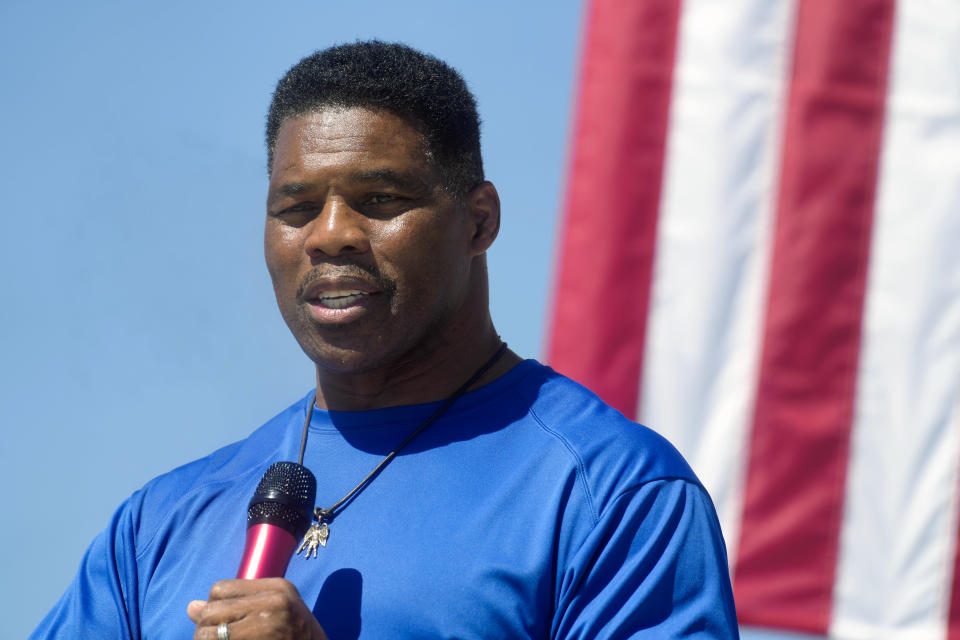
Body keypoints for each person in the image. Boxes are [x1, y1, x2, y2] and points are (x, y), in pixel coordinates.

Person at [30, 41, 738, 639]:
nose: (331, 235)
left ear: (479, 222)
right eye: (297, 209)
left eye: (380, 201)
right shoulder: (158, 524)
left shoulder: (615, 495)